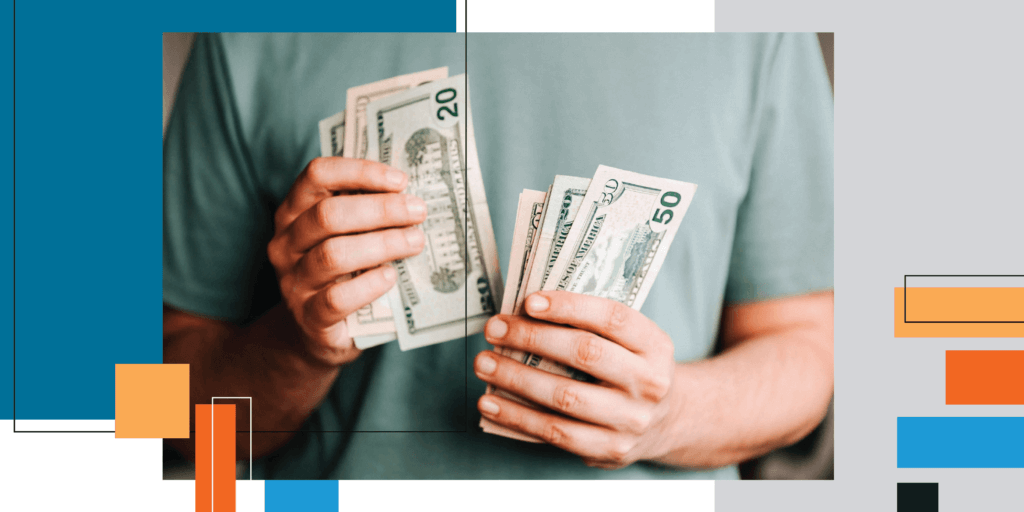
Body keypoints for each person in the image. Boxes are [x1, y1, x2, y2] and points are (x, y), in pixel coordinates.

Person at [163, 32, 834, 479]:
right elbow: (156, 412)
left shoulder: (755, 32)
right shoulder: (247, 32)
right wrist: (297, 345)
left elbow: (813, 349)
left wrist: (671, 415)